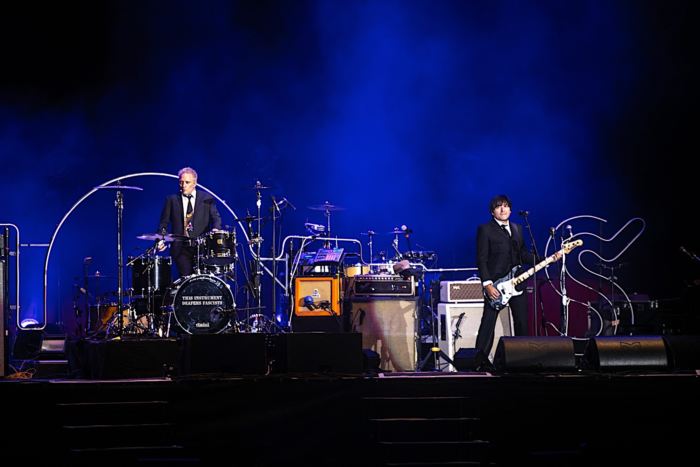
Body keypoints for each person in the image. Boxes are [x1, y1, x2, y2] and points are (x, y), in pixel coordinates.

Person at [474, 194, 558, 370]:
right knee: (488, 324)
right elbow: (481, 259)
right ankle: (478, 362)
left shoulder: (518, 229)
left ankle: (522, 361)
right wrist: (487, 284)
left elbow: (524, 254)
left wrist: (546, 259)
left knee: (521, 322)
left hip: (517, 283)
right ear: (492, 211)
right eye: (499, 207)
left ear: (511, 209)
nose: (503, 209)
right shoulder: (485, 229)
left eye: (506, 206)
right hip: (496, 284)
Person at [158, 167, 222, 277]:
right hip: (181, 247)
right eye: (181, 182)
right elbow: (164, 223)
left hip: (201, 248)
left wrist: (216, 229)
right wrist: (161, 239)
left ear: (194, 183)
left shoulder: (206, 198)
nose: (183, 185)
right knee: (187, 278)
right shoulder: (171, 199)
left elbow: (215, 218)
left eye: (187, 182)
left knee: (202, 279)